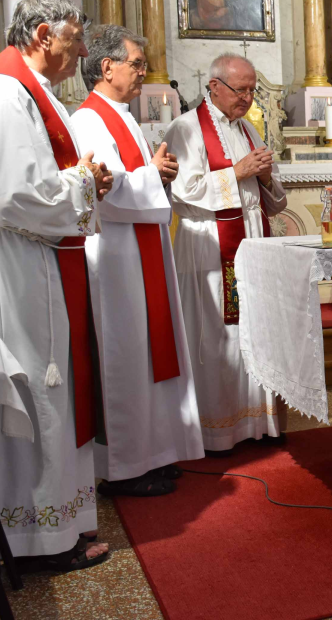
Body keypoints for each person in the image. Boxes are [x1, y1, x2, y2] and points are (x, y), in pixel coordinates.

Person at [0, 0, 113, 571]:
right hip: (10, 255)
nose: (83, 51)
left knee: (44, 386)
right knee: (28, 389)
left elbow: (37, 181)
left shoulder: (30, 90)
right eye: (75, 39)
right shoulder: (1, 90)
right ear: (43, 34)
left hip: (26, 249)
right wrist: (83, 187)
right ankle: (30, 539)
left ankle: (46, 525)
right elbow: (11, 194)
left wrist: (85, 182)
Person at [69, 24, 204, 495]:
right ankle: (126, 466)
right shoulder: (88, 119)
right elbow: (105, 192)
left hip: (141, 250)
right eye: (137, 64)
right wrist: (154, 174)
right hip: (116, 258)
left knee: (150, 352)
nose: (144, 72)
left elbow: (133, 179)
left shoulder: (120, 115)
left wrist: (155, 174)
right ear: (106, 67)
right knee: (126, 354)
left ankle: (154, 452)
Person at [165, 53, 289, 454]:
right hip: (209, 245)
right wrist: (236, 172)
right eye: (241, 89)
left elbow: (272, 203)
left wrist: (266, 177)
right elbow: (184, 195)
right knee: (219, 334)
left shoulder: (249, 131)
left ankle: (254, 422)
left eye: (253, 90)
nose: (249, 97)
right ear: (214, 86)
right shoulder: (186, 128)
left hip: (250, 240)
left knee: (252, 329)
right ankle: (217, 429)